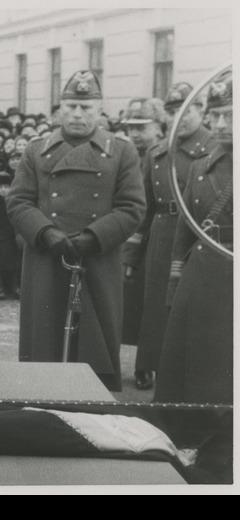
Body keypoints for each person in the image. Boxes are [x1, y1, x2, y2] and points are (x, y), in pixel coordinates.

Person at [6, 70, 145, 391]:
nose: (78, 114)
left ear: (100, 109)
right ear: (59, 109)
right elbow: (18, 202)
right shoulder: (36, 149)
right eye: (70, 106)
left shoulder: (122, 151)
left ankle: (93, 401)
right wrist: (46, 233)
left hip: (97, 257)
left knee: (95, 338)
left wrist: (93, 237)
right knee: (45, 337)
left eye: (87, 107)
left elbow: (132, 207)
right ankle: (40, 399)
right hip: (45, 258)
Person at [127, 83, 217, 390]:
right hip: (163, 233)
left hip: (200, 232)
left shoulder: (217, 146)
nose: (180, 115)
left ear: (202, 110)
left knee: (191, 301)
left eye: (187, 109)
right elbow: (144, 207)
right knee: (155, 304)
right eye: (173, 110)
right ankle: (147, 364)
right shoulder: (157, 152)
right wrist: (133, 253)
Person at [156, 70, 232, 405]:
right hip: (201, 277)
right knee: (195, 365)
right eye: (215, 115)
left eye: (229, 115)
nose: (219, 124)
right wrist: (176, 282)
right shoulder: (201, 166)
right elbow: (185, 229)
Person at [119, 98, 167, 351]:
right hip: (127, 239)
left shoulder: (163, 154)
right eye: (131, 128)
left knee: (150, 303)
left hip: (153, 239)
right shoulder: (125, 154)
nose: (135, 134)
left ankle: (145, 363)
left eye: (142, 127)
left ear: (159, 126)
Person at [0, 171, 20, 299]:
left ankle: (14, 287)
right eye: (0, 187)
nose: (3, 190)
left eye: (6, 187)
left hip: (11, 237)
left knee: (13, 264)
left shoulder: (14, 203)